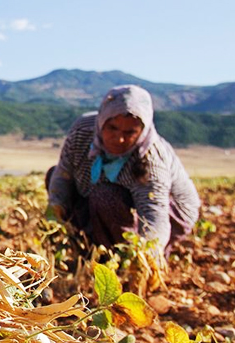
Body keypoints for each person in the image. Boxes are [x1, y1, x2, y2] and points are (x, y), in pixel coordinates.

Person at [46, 85, 200, 257]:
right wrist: (55, 216)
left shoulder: (150, 160)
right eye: (112, 128)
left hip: (170, 212)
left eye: (130, 132)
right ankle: (89, 247)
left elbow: (154, 217)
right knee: (54, 176)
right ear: (102, 120)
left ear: (142, 131)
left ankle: (116, 258)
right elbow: (63, 174)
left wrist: (145, 256)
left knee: (105, 196)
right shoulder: (82, 131)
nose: (119, 139)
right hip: (110, 200)